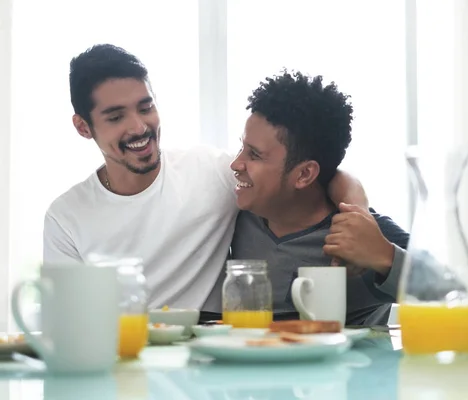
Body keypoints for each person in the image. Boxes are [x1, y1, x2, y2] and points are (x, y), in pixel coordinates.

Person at [42, 44, 367, 312]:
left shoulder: (210, 173)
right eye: (116, 117)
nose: (139, 127)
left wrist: (358, 212)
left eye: (145, 107)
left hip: (207, 366)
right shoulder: (67, 217)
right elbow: (65, 324)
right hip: (122, 364)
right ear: (83, 127)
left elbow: (313, 173)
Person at [202, 71, 468, 331]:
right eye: (242, 148)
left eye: (254, 155)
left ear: (304, 174)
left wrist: (385, 258)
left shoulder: (364, 234)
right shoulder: (235, 214)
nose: (236, 164)